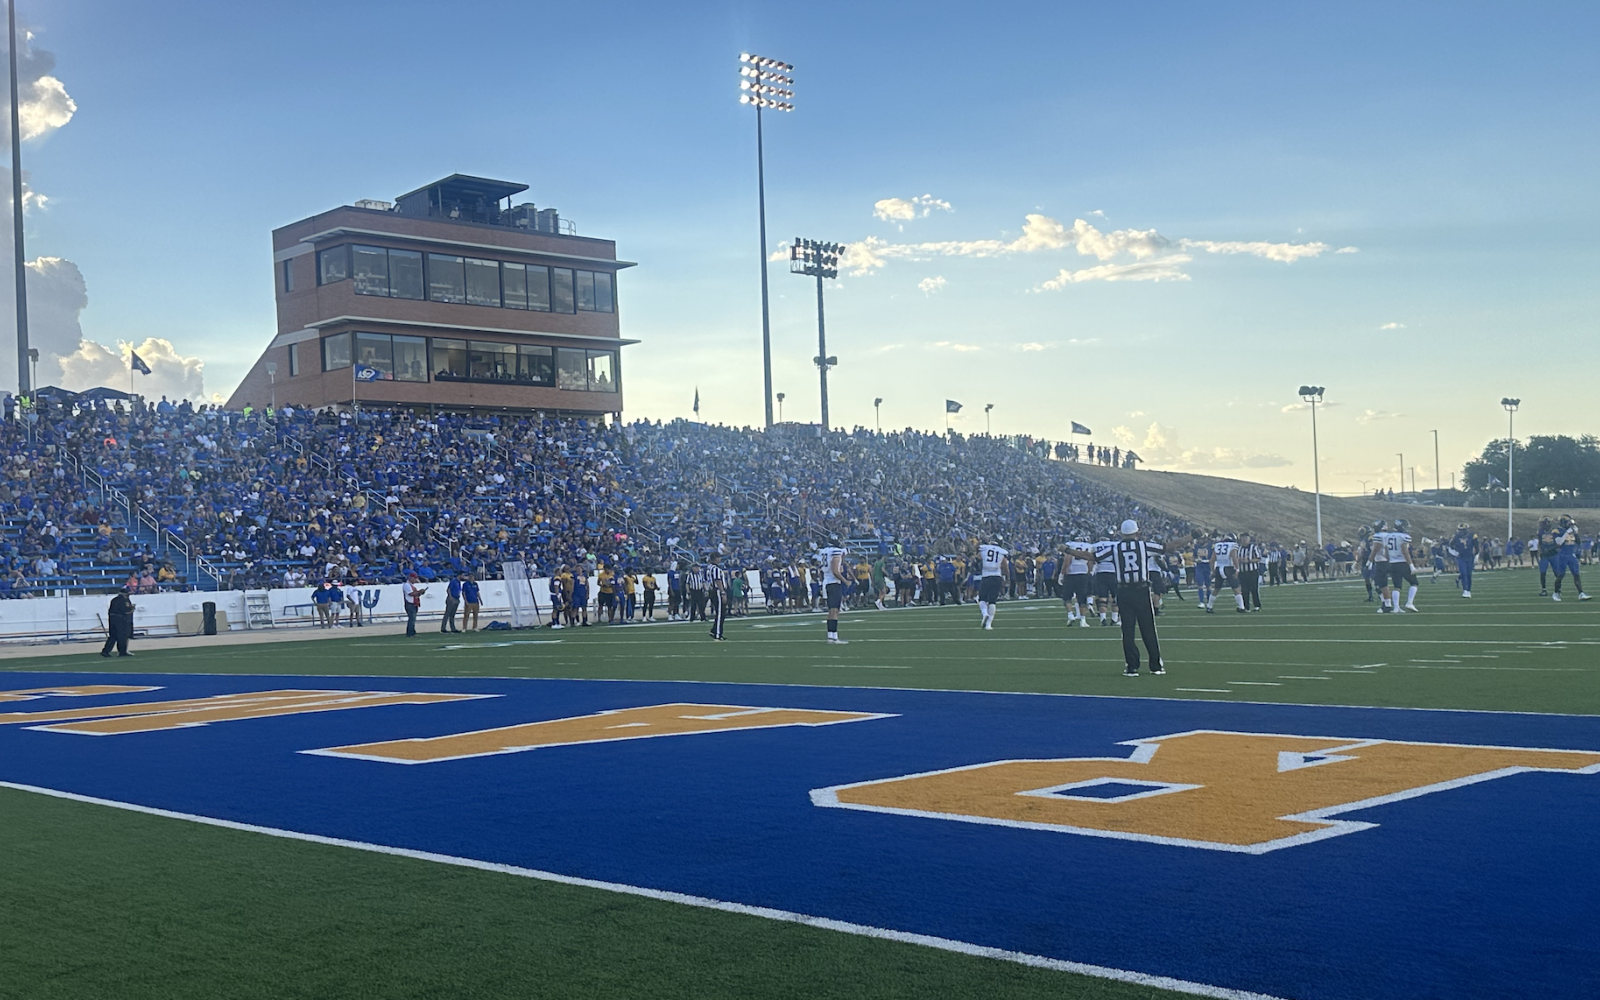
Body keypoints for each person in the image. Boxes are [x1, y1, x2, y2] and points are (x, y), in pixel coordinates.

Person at [1110, 519, 1165, 677]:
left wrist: (1067, 550)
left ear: (1121, 533)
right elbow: (1167, 547)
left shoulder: (1115, 548)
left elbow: (1092, 556)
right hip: (1141, 590)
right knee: (1148, 628)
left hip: (1124, 591)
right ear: (1137, 533)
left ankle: (1132, 666)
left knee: (1127, 630)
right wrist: (1191, 537)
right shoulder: (1144, 546)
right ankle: (1155, 665)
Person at [1551, 515, 1591, 602]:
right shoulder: (1557, 530)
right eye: (1567, 522)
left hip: (1571, 554)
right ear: (1562, 522)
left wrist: (1576, 533)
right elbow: (1559, 543)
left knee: (1576, 574)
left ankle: (1581, 593)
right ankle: (1556, 592)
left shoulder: (1571, 530)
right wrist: (1566, 533)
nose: (1569, 524)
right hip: (1562, 555)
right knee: (1561, 575)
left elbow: (1578, 542)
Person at [1385, 519, 1420, 613]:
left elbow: (1386, 552)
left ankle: (1396, 607)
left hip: (1392, 563)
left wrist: (1389, 562)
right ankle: (1409, 603)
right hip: (1403, 562)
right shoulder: (1404, 536)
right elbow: (1405, 551)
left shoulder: (1388, 536)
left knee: (1397, 586)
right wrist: (1411, 565)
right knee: (1414, 583)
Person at [818, 541, 849, 644]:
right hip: (833, 583)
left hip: (827, 582)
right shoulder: (836, 552)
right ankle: (834, 637)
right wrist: (845, 581)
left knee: (831, 611)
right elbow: (835, 571)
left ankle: (831, 636)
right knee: (835, 611)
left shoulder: (825, 551)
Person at [976, 541, 1008, 630]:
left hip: (986, 576)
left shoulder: (984, 549)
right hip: (997, 576)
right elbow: (1005, 565)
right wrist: (1006, 577)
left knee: (982, 598)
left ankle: (984, 613)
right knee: (992, 601)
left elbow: (977, 559)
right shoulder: (1001, 552)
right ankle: (989, 624)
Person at [100, 589, 136, 658]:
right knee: (122, 636)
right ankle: (122, 652)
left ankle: (105, 651)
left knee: (113, 636)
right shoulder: (124, 600)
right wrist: (131, 608)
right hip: (120, 619)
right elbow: (126, 610)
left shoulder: (114, 600)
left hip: (112, 619)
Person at [705, 552, 729, 641]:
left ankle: (714, 630)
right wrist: (723, 592)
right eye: (718, 557)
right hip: (717, 591)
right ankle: (718, 634)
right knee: (720, 613)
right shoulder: (715, 569)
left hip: (713, 590)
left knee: (721, 612)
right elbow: (717, 580)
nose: (720, 559)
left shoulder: (709, 568)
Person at [1237, 533, 1264, 612]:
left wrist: (1248, 561)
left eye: (1246, 538)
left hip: (1252, 571)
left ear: (1249, 539)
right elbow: (1236, 558)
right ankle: (1246, 607)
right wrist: (1239, 560)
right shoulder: (1239, 548)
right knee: (1244, 590)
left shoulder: (1253, 547)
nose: (1244, 539)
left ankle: (1257, 605)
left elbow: (1258, 558)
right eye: (1243, 538)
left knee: (1254, 589)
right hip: (1242, 571)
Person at [403, 572, 426, 636]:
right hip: (410, 604)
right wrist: (419, 592)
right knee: (412, 619)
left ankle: (412, 631)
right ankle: (410, 632)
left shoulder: (411, 585)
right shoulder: (406, 585)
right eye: (414, 578)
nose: (415, 580)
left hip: (413, 604)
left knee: (413, 619)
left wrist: (419, 593)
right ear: (411, 578)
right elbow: (411, 594)